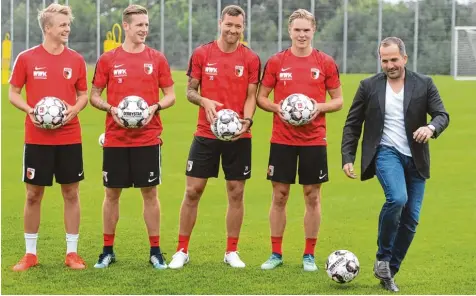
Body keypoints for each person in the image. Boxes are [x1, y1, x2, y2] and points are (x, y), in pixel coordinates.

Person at [341, 37, 449, 292]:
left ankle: (389, 269)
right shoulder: (368, 86)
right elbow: (352, 124)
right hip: (385, 152)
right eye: (384, 60)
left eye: (394, 59)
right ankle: (383, 255)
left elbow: (442, 114)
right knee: (397, 199)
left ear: (404, 58)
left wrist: (431, 127)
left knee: (411, 219)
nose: (389, 65)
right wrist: (348, 157)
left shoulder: (424, 83)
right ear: (380, 59)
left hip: (416, 158)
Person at [168, 5, 260, 269]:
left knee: (236, 192)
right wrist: (204, 101)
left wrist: (248, 120)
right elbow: (189, 91)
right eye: (229, 25)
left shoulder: (251, 59)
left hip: (239, 136)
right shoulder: (202, 53)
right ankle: (181, 250)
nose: (233, 30)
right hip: (206, 133)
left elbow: (251, 96)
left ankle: (231, 251)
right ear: (220, 23)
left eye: (238, 26)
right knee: (192, 191)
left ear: (243, 27)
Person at [256, 9, 343, 272]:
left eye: (306, 30)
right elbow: (262, 97)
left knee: (312, 196)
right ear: (289, 31)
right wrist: (277, 108)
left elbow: (338, 100)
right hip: (282, 139)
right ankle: (276, 253)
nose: (302, 35)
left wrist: (318, 107)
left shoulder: (325, 62)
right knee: (279, 196)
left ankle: (309, 255)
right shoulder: (276, 62)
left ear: (313, 30)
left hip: (314, 140)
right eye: (297, 30)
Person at [90, 4, 176, 270]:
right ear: (125, 26)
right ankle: (107, 250)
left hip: (148, 138)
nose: (144, 30)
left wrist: (155, 107)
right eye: (139, 25)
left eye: (147, 25)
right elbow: (94, 95)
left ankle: (155, 251)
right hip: (116, 138)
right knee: (111, 193)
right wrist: (110, 108)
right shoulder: (108, 59)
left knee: (150, 193)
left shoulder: (157, 58)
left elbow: (170, 95)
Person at [8, 3, 88, 271]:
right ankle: (30, 254)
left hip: (69, 137)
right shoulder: (27, 58)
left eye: (68, 24)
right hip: (37, 138)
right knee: (33, 194)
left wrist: (75, 109)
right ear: (47, 28)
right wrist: (31, 110)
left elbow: (83, 94)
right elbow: (13, 93)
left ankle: (72, 253)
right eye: (62, 24)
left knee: (71, 193)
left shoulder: (76, 60)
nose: (67, 29)